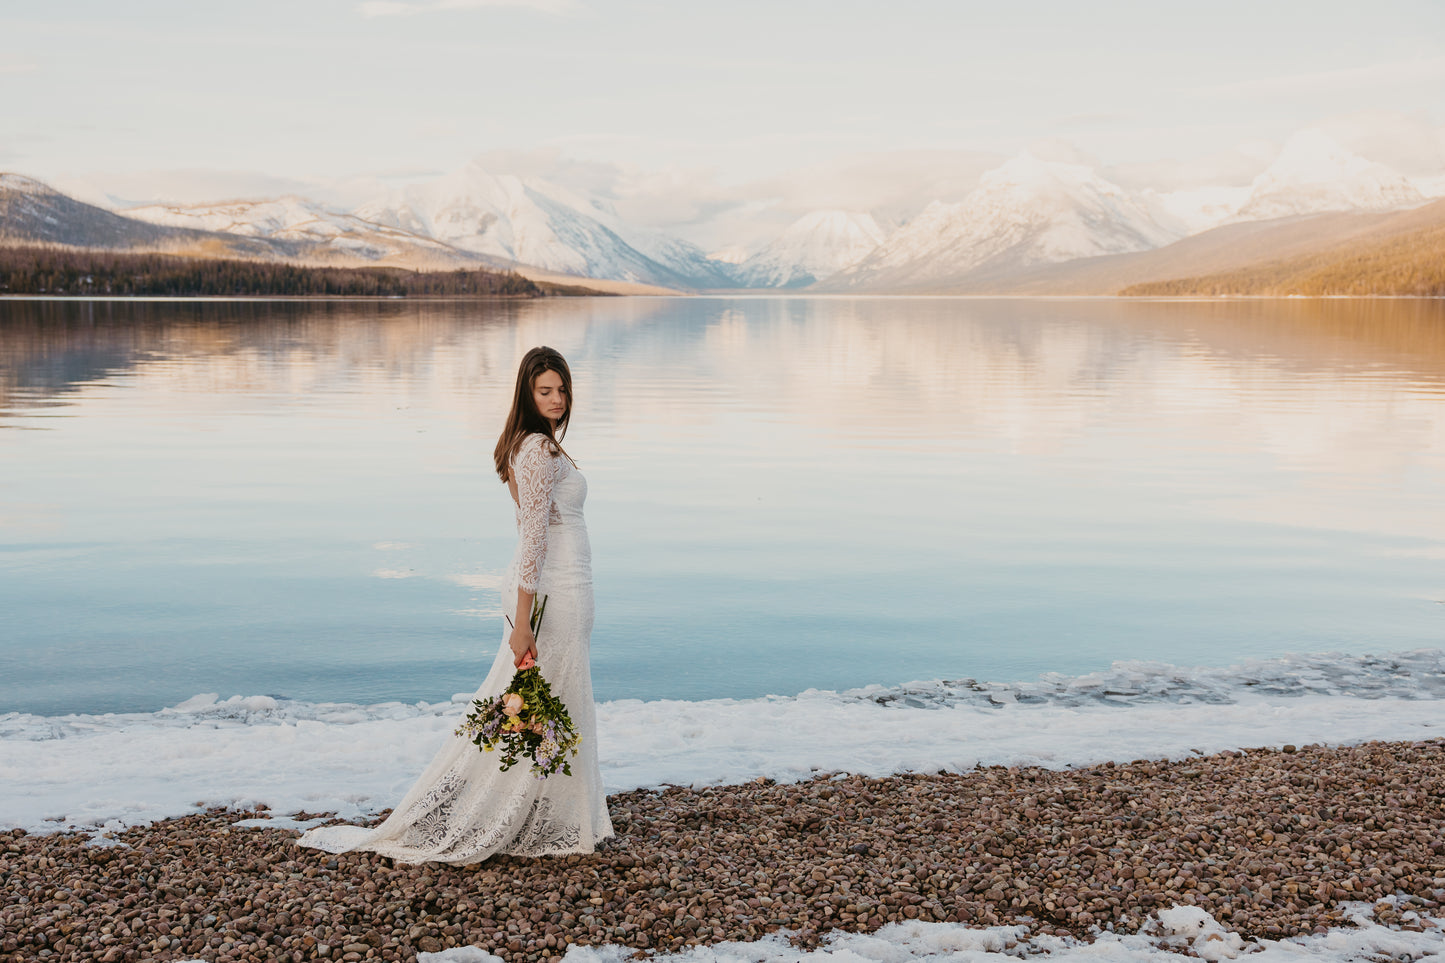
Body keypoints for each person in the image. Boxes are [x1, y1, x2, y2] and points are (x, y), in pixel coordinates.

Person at [297, 346, 613, 863]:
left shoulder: (537, 446)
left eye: (561, 389)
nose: (557, 399)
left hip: (564, 583)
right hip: (553, 590)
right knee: (534, 700)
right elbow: (531, 535)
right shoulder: (535, 450)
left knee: (547, 699)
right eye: (545, 391)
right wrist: (524, 616)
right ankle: (509, 811)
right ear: (527, 395)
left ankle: (546, 807)